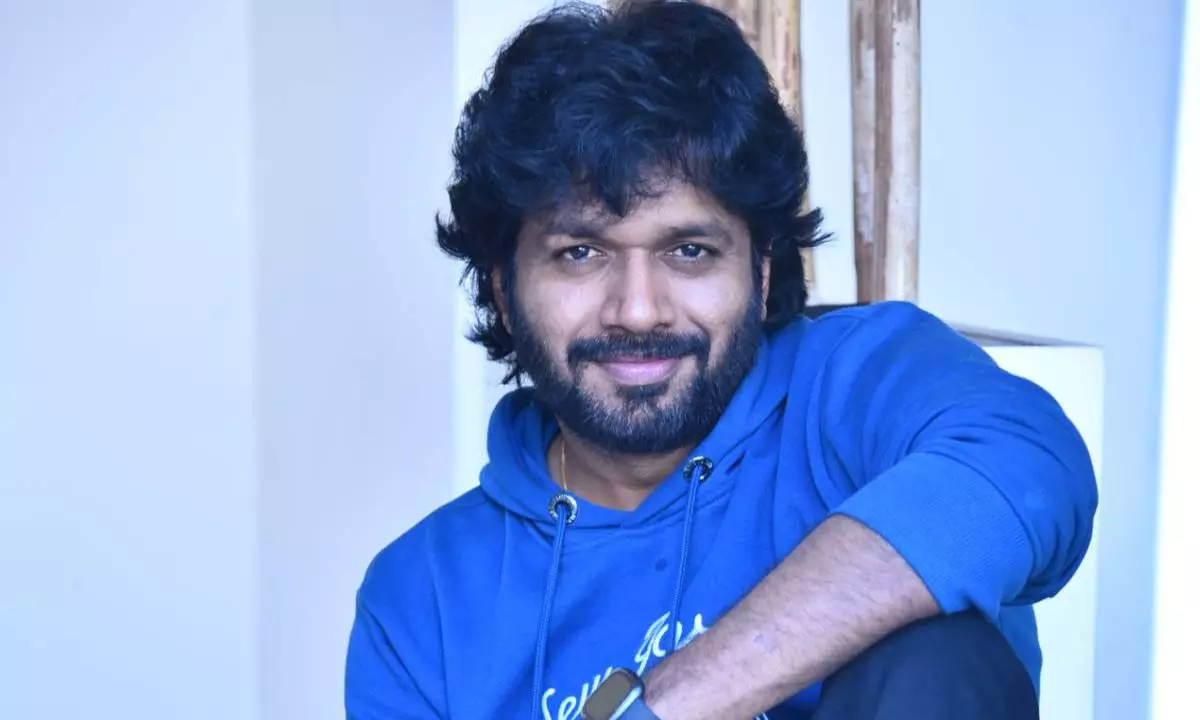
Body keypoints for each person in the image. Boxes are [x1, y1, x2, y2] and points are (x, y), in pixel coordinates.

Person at [344, 1, 1098, 718]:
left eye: (689, 251)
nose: (638, 309)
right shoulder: (422, 601)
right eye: (580, 252)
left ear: (762, 270)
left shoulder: (853, 385)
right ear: (503, 290)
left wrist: (670, 705)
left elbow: (1028, 467)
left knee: (936, 655)